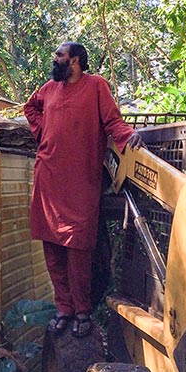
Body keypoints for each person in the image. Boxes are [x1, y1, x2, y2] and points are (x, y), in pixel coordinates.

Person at [24, 42, 144, 338]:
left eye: (60, 55)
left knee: (78, 248)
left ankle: (82, 311)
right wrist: (43, 134)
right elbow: (30, 107)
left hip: (81, 179)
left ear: (75, 60)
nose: (55, 60)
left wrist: (128, 136)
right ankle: (63, 308)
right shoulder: (49, 89)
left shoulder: (96, 86)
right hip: (48, 177)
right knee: (51, 247)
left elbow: (113, 121)